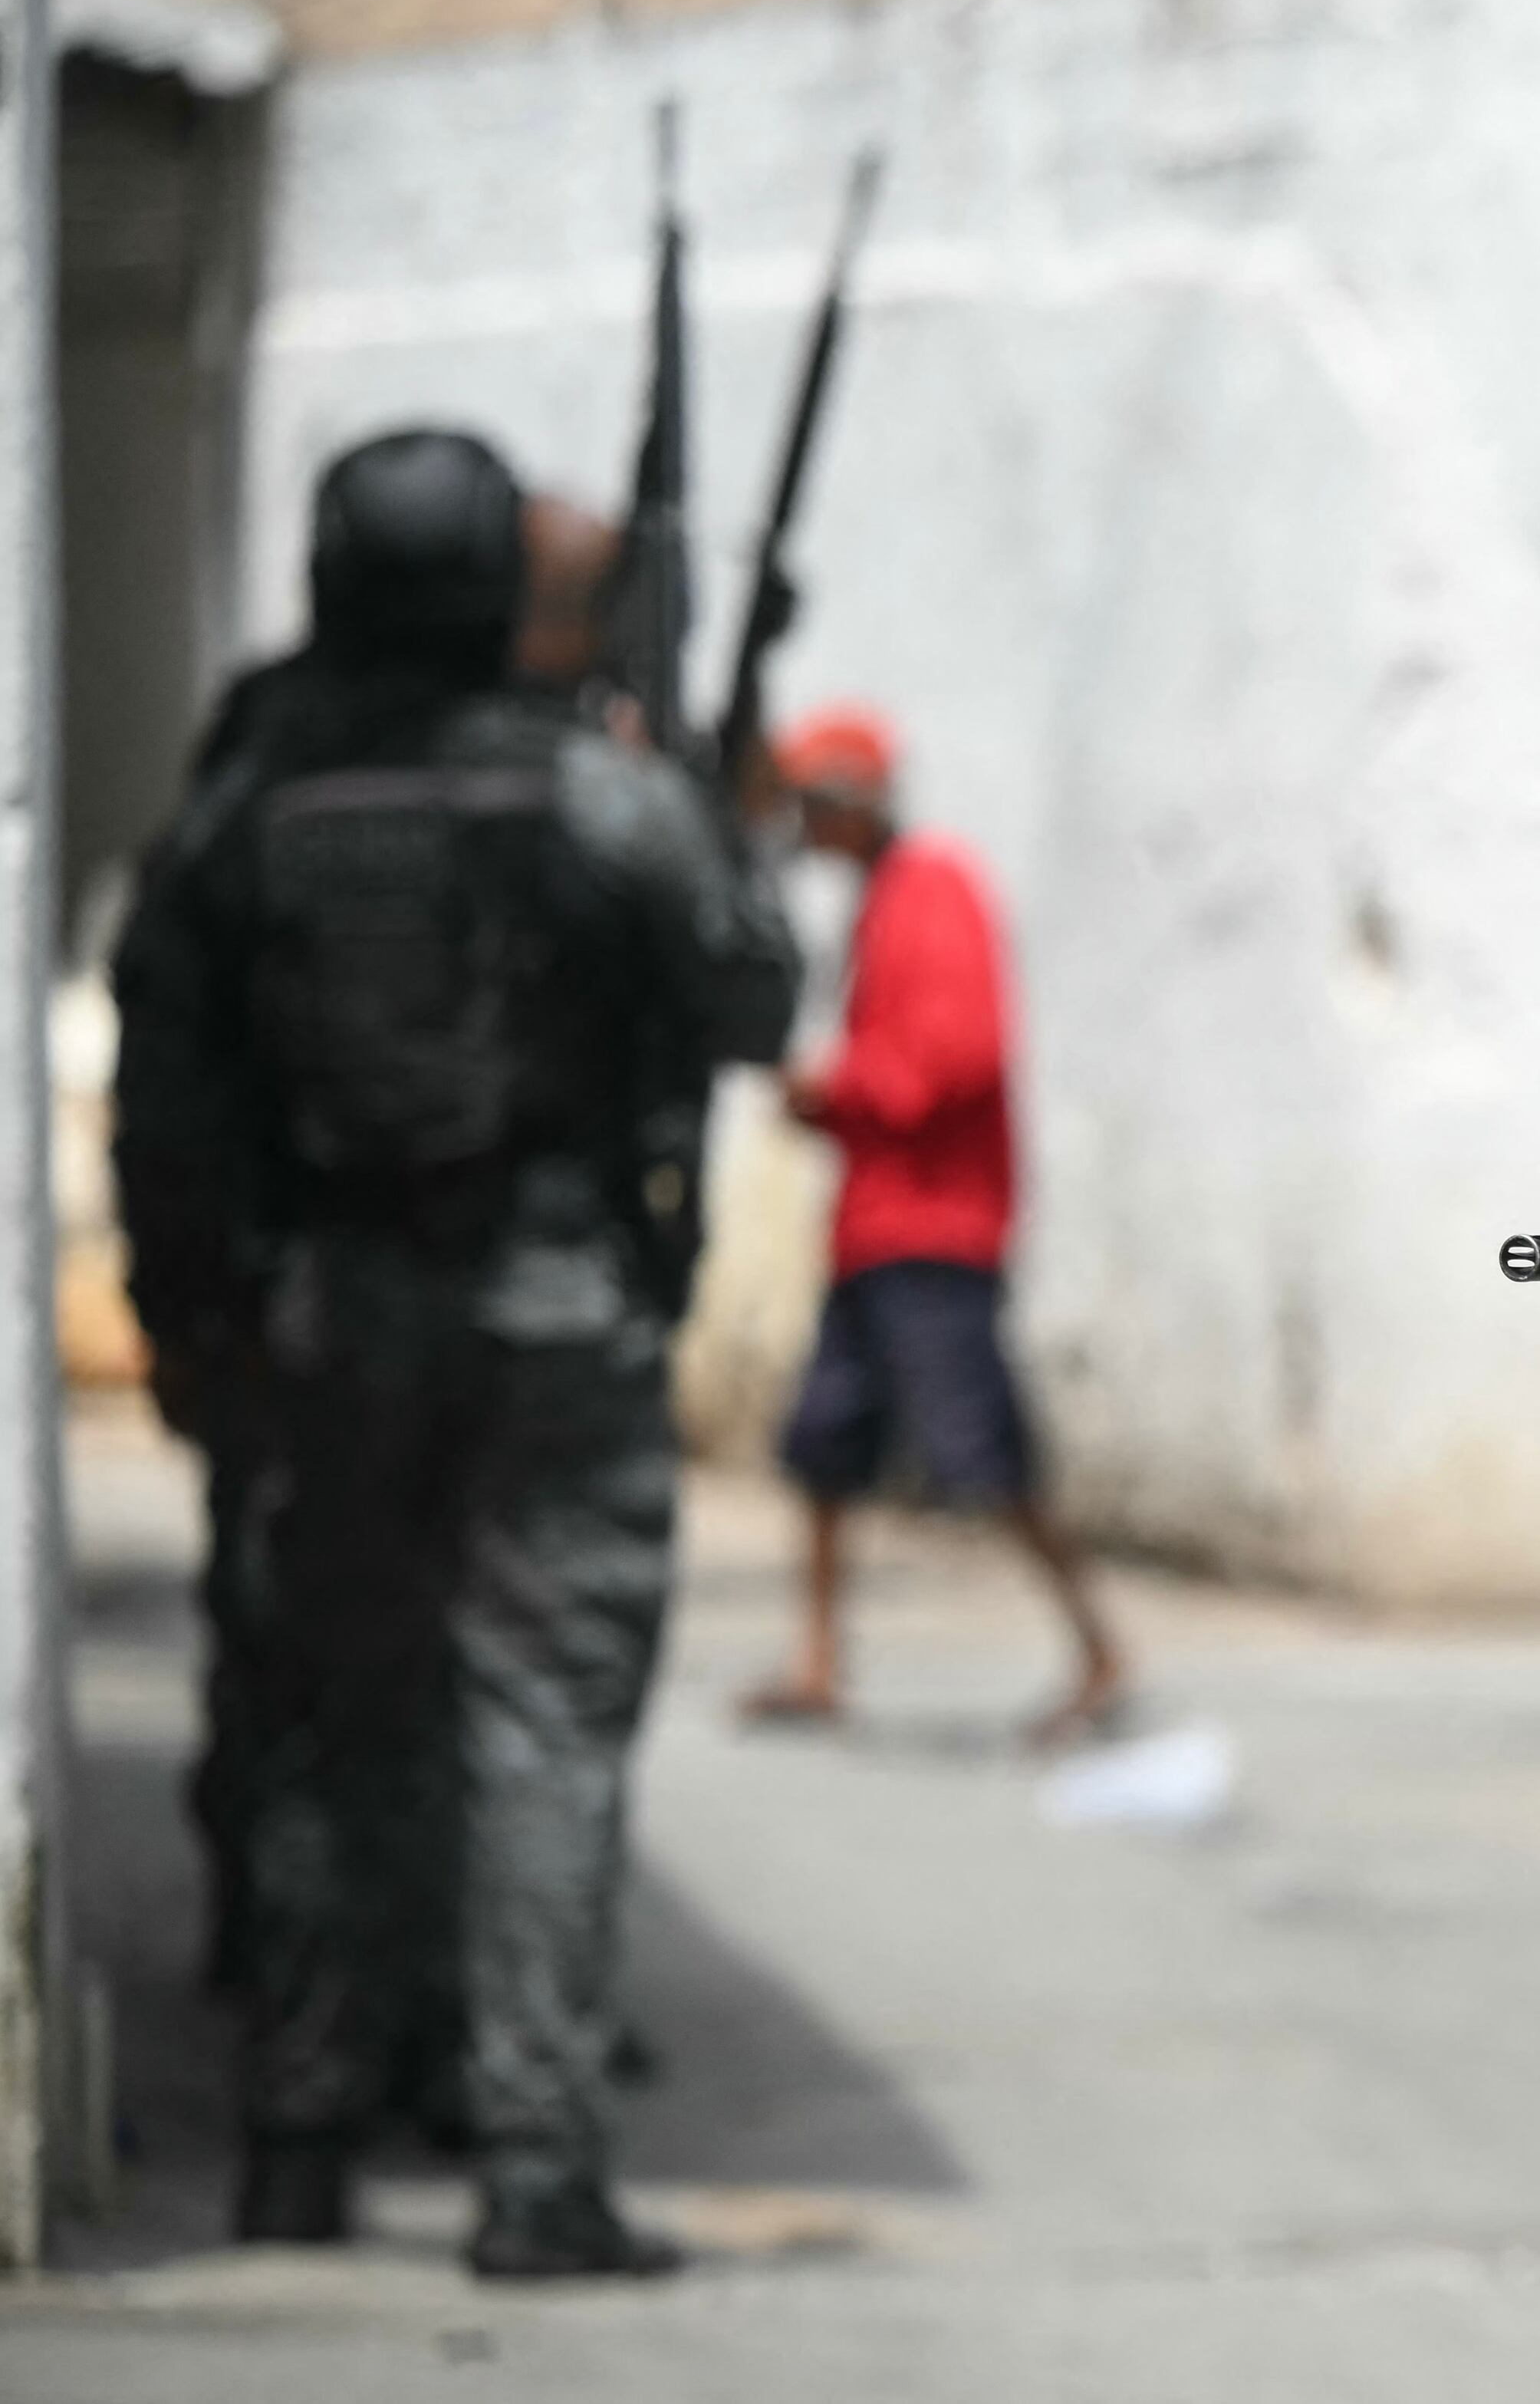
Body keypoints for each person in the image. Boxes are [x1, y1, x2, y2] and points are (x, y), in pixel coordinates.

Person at [114, 428, 799, 2275]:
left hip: (329, 1308)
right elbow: (751, 995)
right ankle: (534, 2166)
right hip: (554, 1309)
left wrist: (193, 1318)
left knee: (334, 1716)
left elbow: (167, 1087)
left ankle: (297, 2142)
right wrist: (708, 789)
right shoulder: (594, 796)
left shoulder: (251, 808)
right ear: (504, 592)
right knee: (544, 1721)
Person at [740, 703, 1124, 1747]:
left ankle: (1099, 1648)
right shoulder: (879, 903)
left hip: (937, 1229)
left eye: (816, 806)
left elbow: (957, 1055)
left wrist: (841, 1091)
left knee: (984, 1454)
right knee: (824, 1444)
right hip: (874, 1226)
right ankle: (820, 1659)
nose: (806, 828)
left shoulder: (935, 887)